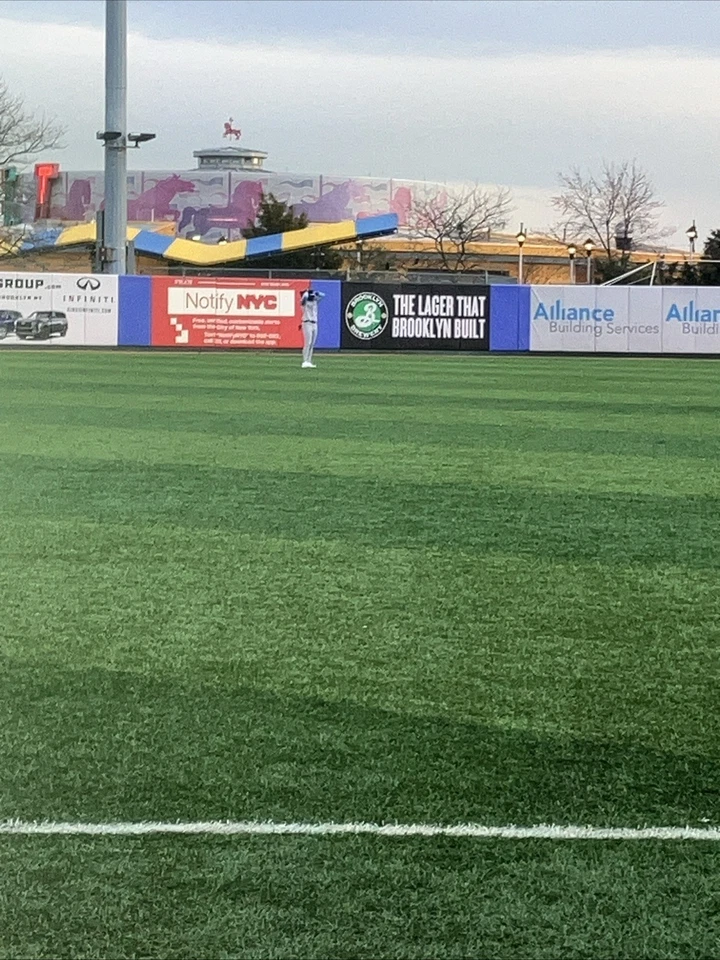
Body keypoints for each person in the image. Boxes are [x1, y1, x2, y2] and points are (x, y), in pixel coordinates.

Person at [300, 286, 325, 368]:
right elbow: (304, 298)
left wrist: (316, 293)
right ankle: (305, 361)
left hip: (315, 323)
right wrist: (307, 292)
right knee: (308, 342)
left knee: (312, 343)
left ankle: (309, 360)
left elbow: (323, 295)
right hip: (307, 322)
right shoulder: (304, 303)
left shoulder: (315, 302)